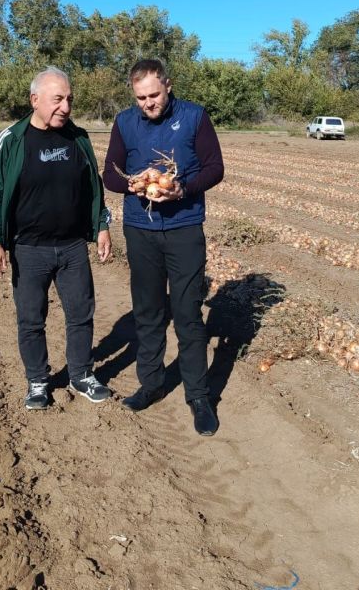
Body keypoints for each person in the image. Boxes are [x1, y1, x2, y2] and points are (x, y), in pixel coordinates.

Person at [0, 66, 112, 410]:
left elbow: (93, 186)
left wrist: (101, 225)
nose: (65, 107)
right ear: (35, 100)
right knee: (31, 320)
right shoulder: (11, 139)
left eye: (69, 100)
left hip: (72, 247)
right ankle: (37, 381)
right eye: (57, 99)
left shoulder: (78, 138)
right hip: (29, 248)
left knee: (81, 314)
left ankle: (81, 374)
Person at [103, 59, 224, 436]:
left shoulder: (194, 117)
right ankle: (151, 383)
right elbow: (109, 175)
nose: (148, 103)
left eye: (154, 95)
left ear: (168, 85)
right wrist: (133, 184)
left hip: (185, 228)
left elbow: (215, 168)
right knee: (148, 311)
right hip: (141, 230)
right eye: (140, 98)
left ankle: (199, 396)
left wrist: (182, 189)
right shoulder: (125, 122)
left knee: (187, 313)